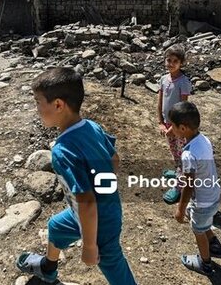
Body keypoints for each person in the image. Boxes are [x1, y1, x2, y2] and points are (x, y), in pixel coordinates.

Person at [16, 67, 137, 285]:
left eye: (37, 102)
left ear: (58, 105)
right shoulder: (92, 126)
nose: (36, 108)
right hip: (96, 211)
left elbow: (87, 202)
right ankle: (48, 267)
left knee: (114, 267)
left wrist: (90, 246)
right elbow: (114, 159)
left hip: (100, 223)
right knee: (55, 226)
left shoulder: (62, 152)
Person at [169, 101, 221, 277]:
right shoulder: (203, 140)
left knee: (198, 230)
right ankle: (214, 244)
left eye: (173, 126)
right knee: (201, 220)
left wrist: (179, 209)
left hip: (202, 201)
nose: (171, 130)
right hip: (213, 194)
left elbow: (188, 185)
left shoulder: (188, 155)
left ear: (183, 128)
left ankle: (205, 263)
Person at [157, 44, 192, 204]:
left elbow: (183, 108)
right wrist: (161, 122)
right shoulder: (164, 79)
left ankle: (178, 186)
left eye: (175, 61)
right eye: (168, 60)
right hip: (167, 125)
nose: (170, 64)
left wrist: (172, 127)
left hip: (178, 127)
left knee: (181, 154)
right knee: (174, 152)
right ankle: (177, 169)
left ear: (181, 63)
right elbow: (160, 102)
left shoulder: (183, 82)